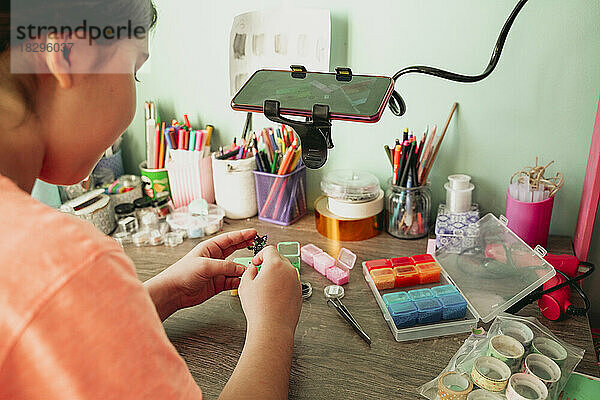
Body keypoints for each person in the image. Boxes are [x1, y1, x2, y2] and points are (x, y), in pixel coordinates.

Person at [0, 1, 302, 399]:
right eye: (134, 70)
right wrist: (273, 327)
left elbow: (41, 338)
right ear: (68, 54)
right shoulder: (63, 264)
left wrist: (158, 295)